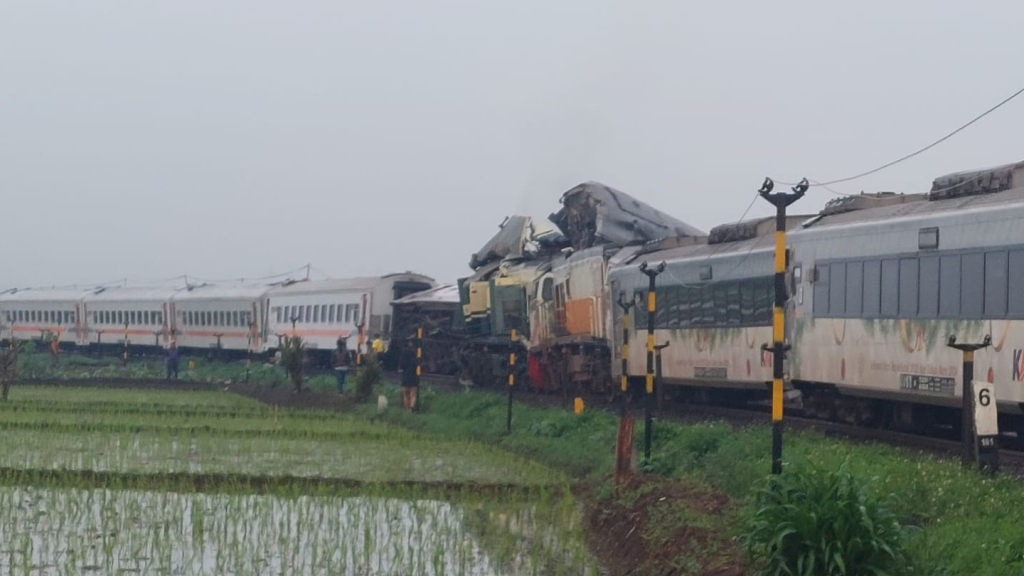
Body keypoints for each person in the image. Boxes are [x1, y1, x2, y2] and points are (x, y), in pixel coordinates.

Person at [399, 339, 419, 411]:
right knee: (413, 394)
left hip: (405, 378)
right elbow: (418, 364)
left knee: (405, 395)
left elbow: (401, 367)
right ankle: (412, 407)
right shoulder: (415, 359)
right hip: (413, 378)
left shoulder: (403, 359)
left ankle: (406, 409)